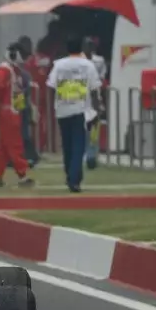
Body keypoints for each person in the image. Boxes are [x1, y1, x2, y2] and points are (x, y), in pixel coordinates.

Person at [46, 36, 103, 193]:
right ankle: (74, 178)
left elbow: (50, 86)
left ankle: (70, 173)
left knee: (67, 145)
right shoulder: (88, 65)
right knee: (79, 146)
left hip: (62, 110)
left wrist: (52, 106)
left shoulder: (59, 65)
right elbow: (94, 89)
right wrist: (97, 109)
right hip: (81, 110)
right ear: (81, 49)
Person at [0, 43, 35, 188]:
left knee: (3, 148)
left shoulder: (14, 71)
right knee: (15, 145)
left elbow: (17, 93)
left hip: (13, 110)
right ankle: (22, 174)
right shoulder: (4, 71)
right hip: (7, 112)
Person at [21, 35, 52, 158]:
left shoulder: (34, 61)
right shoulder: (23, 63)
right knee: (27, 124)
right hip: (28, 99)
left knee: (36, 124)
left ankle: (35, 150)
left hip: (35, 99)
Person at [82, 37, 108, 170]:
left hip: (93, 97)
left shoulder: (99, 61)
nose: (89, 49)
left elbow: (102, 80)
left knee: (93, 129)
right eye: (86, 46)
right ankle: (84, 155)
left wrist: (100, 101)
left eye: (90, 46)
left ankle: (91, 157)